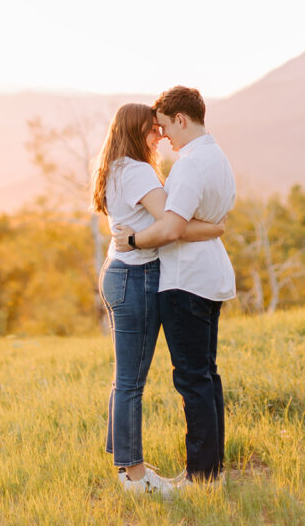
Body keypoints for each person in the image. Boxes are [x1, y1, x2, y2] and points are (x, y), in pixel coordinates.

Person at [91, 102, 225, 496]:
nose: (159, 136)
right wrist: (214, 227)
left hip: (119, 272)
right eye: (152, 130)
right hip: (135, 277)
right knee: (132, 381)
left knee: (125, 379)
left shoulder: (115, 167)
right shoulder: (136, 171)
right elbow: (173, 223)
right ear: (135, 132)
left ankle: (125, 463)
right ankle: (134, 477)